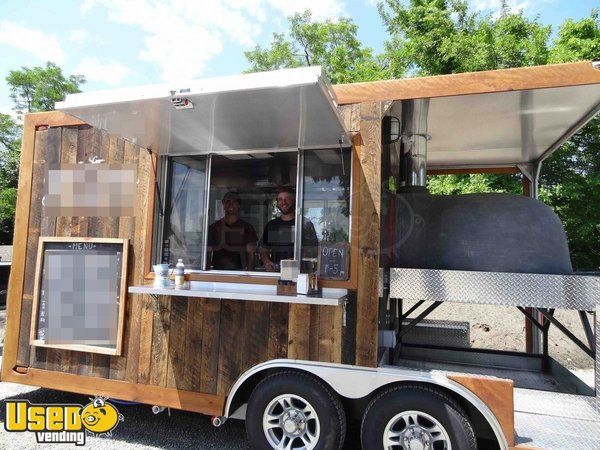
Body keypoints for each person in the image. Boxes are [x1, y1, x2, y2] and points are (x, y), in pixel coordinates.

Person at [260, 186, 318, 272]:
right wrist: (267, 262)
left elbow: (314, 250)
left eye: (287, 199)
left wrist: (298, 257)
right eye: (280, 199)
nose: (284, 202)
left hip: (300, 273)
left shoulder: (305, 224)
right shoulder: (272, 225)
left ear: (294, 201)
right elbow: (264, 249)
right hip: (276, 273)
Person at [207, 191, 257, 271]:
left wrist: (249, 276)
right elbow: (208, 253)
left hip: (240, 273)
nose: (231, 204)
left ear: (239, 205)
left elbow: (251, 255)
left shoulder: (247, 228)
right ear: (223, 204)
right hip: (217, 274)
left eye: (234, 202)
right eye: (227, 201)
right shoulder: (213, 228)